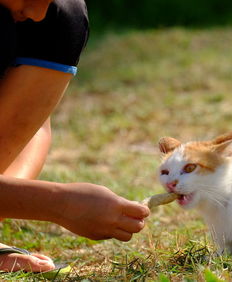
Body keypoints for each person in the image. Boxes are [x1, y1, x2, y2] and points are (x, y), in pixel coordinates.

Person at [0, 0, 150, 273]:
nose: (37, 13)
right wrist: (58, 203)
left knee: (64, 14)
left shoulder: (50, 15)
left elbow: (33, 125)